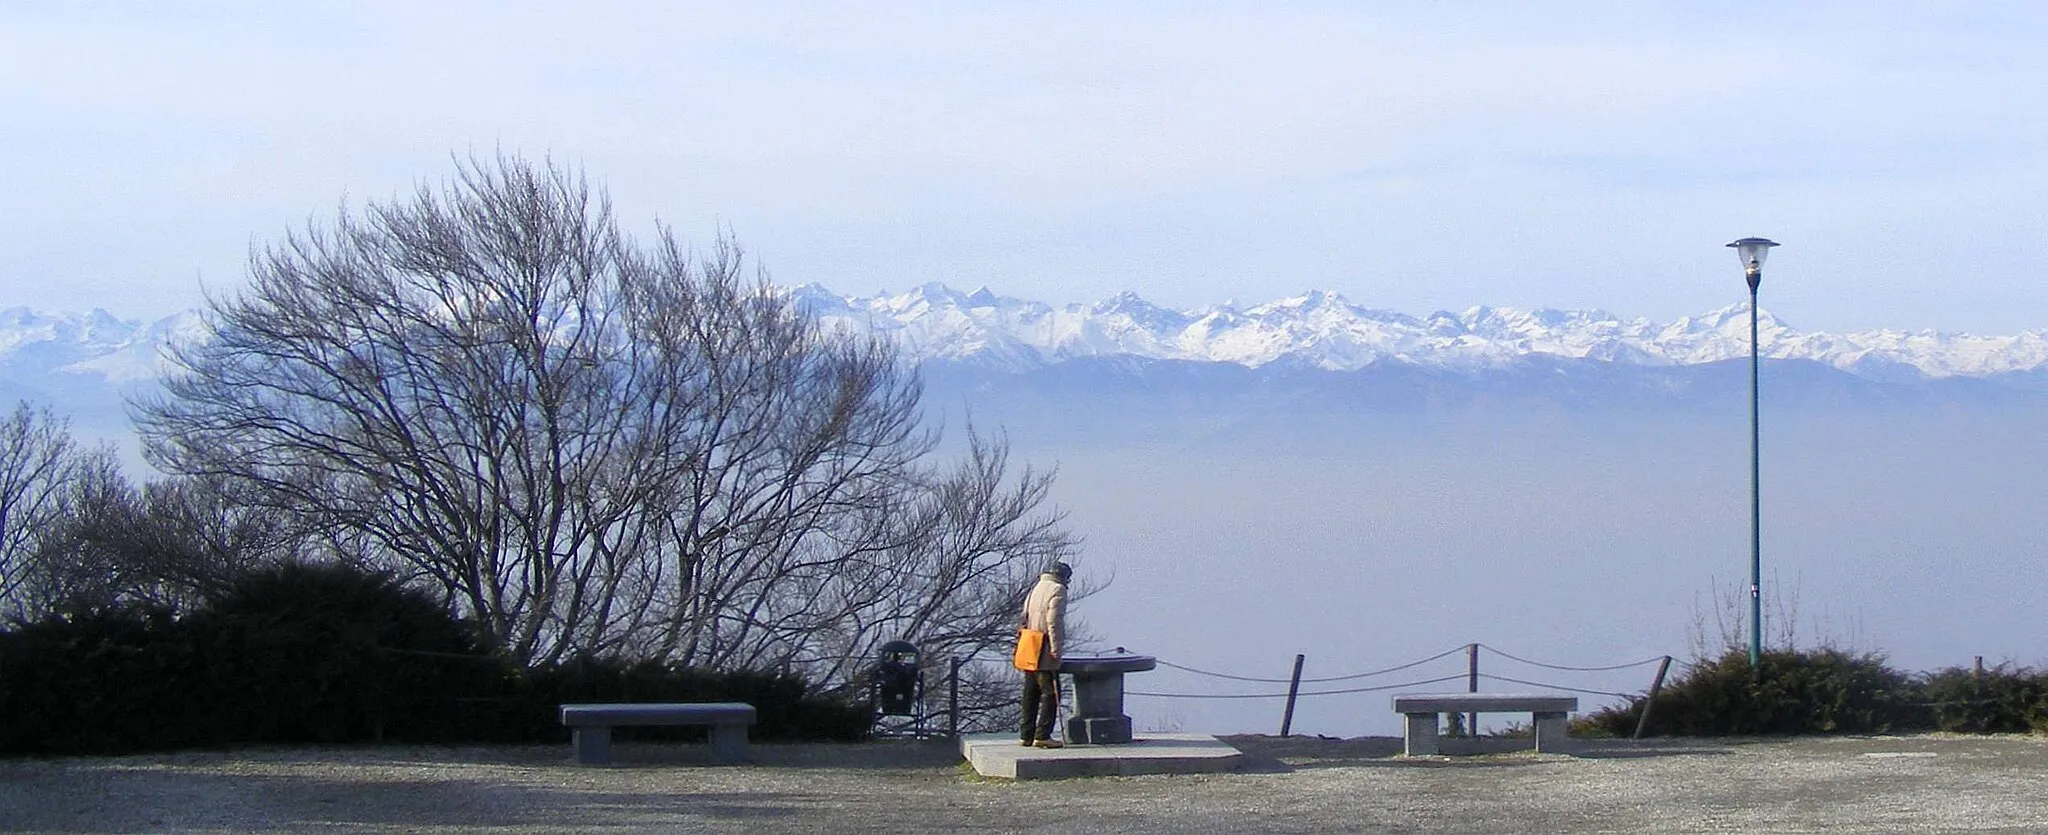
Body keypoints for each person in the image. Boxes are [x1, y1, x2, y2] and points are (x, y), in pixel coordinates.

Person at [1019, 561, 1070, 748]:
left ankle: (1026, 734)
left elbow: (1023, 616)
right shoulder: (1058, 590)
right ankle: (1043, 735)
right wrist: (1056, 649)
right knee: (1051, 692)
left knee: (1030, 693)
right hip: (1045, 645)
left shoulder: (1036, 588)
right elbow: (1054, 621)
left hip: (1030, 643)